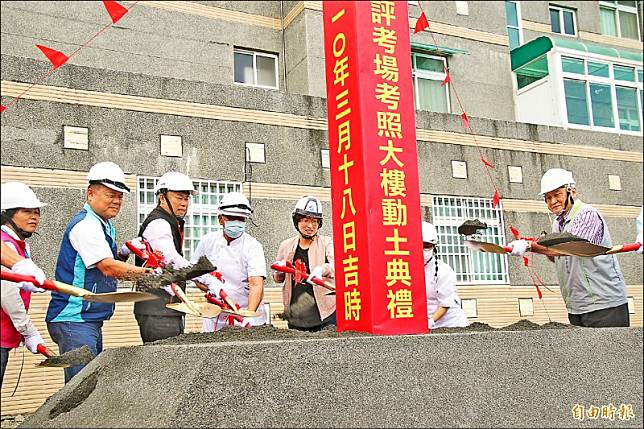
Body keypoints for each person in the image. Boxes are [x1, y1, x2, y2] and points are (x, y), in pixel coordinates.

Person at [46, 161, 150, 383]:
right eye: (110, 194)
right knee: (80, 387)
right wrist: (150, 275)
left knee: (87, 385)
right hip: (74, 318)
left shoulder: (104, 224)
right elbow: (107, 267)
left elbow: (106, 264)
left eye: (120, 196)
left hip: (87, 318)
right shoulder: (86, 225)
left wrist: (123, 253)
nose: (116, 201)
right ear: (90, 193)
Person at [508, 168, 629, 328]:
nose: (552, 202)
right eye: (548, 197)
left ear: (572, 192)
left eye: (557, 195)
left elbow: (569, 248)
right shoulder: (558, 223)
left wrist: (530, 246)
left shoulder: (587, 214)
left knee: (609, 352)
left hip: (604, 304)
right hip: (577, 306)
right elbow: (558, 256)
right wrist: (545, 247)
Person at [127, 171, 198, 343]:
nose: (184, 204)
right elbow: (171, 260)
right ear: (162, 197)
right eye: (179, 197)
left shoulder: (171, 221)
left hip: (166, 310)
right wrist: (205, 275)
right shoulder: (159, 224)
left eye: (186, 199)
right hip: (157, 313)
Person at [192, 192, 267, 331]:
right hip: (215, 316)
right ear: (220, 219)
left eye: (241, 219)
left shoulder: (253, 246)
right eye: (232, 218)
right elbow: (195, 275)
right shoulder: (207, 242)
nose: (237, 222)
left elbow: (256, 285)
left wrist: (249, 316)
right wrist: (211, 288)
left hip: (245, 316)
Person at [0, 182, 48, 386]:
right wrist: (29, 332)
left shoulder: (19, 244)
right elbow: (7, 295)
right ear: (7, 214)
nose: (34, 217)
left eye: (36, 212)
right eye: (26, 211)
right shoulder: (6, 244)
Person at [273, 196, 335, 331]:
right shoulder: (286, 245)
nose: (310, 226)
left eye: (315, 221)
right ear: (296, 221)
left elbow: (336, 266)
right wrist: (278, 271)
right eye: (305, 220)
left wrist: (321, 270)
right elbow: (278, 279)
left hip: (324, 314)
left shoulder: (327, 243)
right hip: (296, 314)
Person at [422, 222, 469, 330]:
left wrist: (431, 321)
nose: (422, 250)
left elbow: (445, 303)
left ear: (434, 247)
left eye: (427, 246)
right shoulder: (406, 269)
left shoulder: (443, 271)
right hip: (426, 325)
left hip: (451, 324)